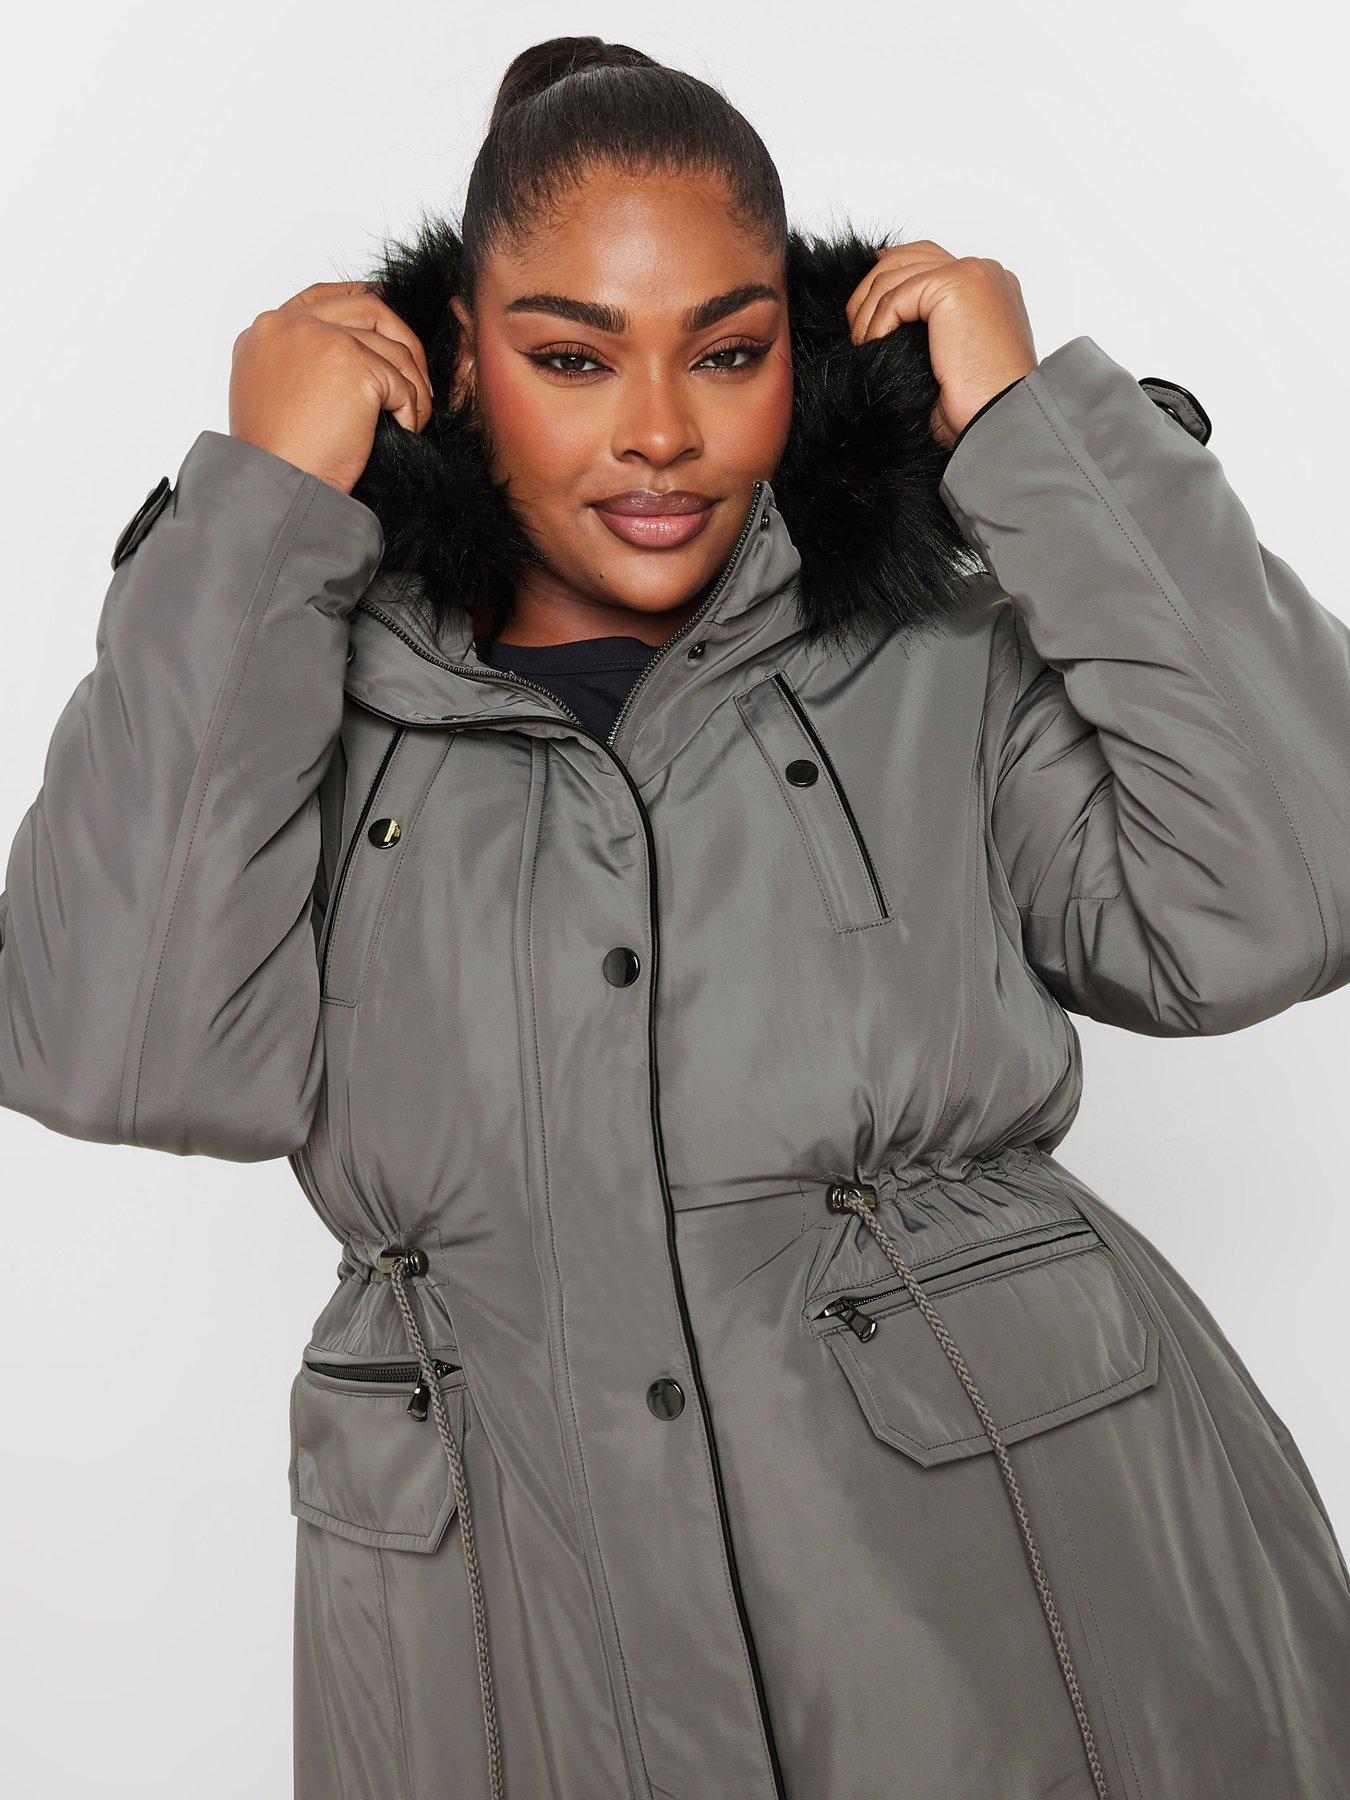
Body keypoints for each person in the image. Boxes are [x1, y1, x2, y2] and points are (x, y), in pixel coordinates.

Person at [3, 31, 1349, 1800]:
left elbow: (1284, 895)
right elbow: (121, 1056)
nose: (658, 430)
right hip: (510, 1667)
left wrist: (1047, 438)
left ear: (803, 349)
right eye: (572, 356)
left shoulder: (929, 655)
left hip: (1030, 1633)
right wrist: (254, 517)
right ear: (460, 362)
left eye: (726, 351)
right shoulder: (293, 700)